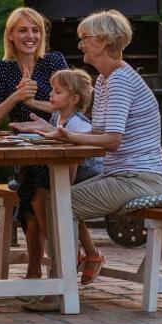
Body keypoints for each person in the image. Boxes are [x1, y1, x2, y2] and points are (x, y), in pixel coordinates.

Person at [12, 9, 162, 311]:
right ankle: (63, 282)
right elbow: (97, 132)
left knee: (59, 204)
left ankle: (62, 290)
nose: (80, 44)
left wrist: (67, 137)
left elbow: (111, 140)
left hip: (140, 179)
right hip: (122, 175)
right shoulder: (107, 81)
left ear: (104, 41)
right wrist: (54, 129)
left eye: (85, 38)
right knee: (53, 199)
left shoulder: (121, 80)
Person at [0, 7, 67, 271]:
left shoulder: (53, 62)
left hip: (56, 147)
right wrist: (16, 98)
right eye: (23, 30)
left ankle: (54, 263)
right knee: (30, 190)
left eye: (36, 30)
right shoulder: (3, 69)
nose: (31, 36)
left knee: (34, 191)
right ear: (10, 36)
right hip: (23, 152)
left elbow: (72, 105)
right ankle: (44, 267)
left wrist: (33, 101)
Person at [24, 68, 104, 284]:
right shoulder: (58, 116)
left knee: (49, 198)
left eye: (57, 92)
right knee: (34, 188)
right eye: (52, 89)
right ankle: (80, 253)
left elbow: (75, 159)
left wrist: (65, 188)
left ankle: (67, 254)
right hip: (69, 171)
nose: (50, 94)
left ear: (74, 99)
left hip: (89, 171)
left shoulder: (78, 123)